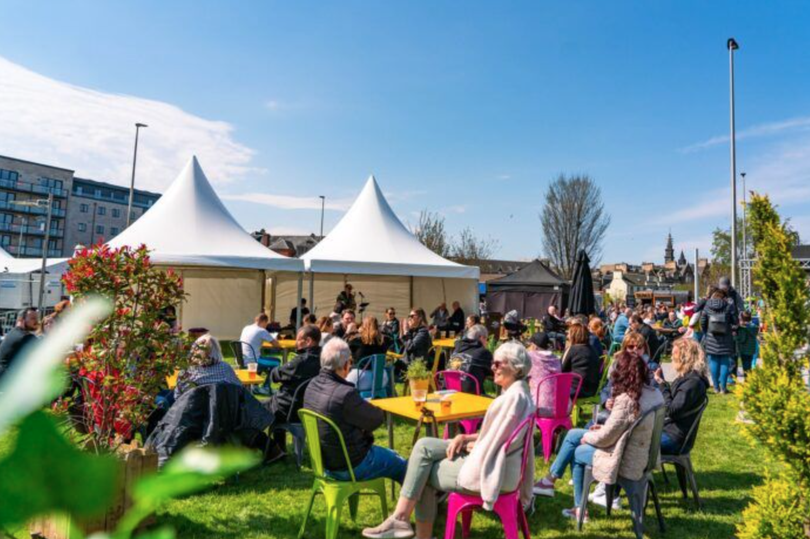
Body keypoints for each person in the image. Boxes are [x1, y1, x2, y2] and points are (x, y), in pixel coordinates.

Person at [362, 342, 536, 539]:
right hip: (503, 464)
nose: (493, 368)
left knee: (422, 470)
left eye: (497, 364)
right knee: (424, 445)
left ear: (514, 366)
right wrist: (464, 437)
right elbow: (499, 436)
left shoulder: (512, 399)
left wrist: (469, 445)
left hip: (494, 470)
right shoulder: (520, 394)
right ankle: (402, 521)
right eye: (493, 363)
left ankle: (406, 523)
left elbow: (493, 444)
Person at [534, 349, 664, 522]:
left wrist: (589, 436)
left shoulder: (627, 399)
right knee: (573, 434)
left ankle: (575, 504)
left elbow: (607, 438)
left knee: (577, 449)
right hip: (641, 452)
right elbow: (616, 430)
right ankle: (552, 482)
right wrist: (596, 431)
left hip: (624, 457)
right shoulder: (654, 394)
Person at [303, 338, 407, 484]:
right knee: (402, 464)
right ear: (346, 364)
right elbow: (376, 419)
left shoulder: (311, 385)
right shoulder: (345, 394)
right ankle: (419, 506)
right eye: (350, 362)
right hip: (351, 464)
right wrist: (364, 405)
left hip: (324, 463)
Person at [262, 325, 323, 462]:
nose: (296, 342)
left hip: (289, 409)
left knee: (253, 409)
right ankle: (280, 448)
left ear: (308, 341)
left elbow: (274, 376)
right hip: (313, 408)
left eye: (298, 339)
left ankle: (272, 449)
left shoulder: (300, 361)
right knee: (274, 406)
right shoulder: (325, 357)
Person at [653, 338, 710, 455]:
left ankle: (638, 473)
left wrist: (662, 385)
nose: (672, 358)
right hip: (670, 431)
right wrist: (662, 383)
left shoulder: (692, 383)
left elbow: (671, 410)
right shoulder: (687, 377)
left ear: (685, 356)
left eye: (674, 354)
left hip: (674, 438)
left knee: (635, 442)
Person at [174, 334, 240, 398]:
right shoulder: (225, 368)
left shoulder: (187, 372)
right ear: (217, 350)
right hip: (221, 408)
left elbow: (177, 397)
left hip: (193, 408)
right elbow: (239, 389)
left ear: (195, 351)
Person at [699, 288, 737, 394]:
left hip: (711, 338)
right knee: (725, 362)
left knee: (713, 361)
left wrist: (706, 332)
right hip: (726, 338)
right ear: (723, 297)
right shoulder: (728, 306)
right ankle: (723, 388)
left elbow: (702, 321)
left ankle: (716, 387)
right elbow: (735, 321)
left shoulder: (707, 306)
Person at [449, 324, 493, 394]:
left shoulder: (457, 349)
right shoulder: (483, 352)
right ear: (481, 338)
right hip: (471, 397)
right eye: (487, 339)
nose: (487, 342)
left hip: (450, 393)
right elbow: (494, 373)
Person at [561, 322, 601, 398]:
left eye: (569, 333)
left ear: (574, 335)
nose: (567, 336)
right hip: (592, 389)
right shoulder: (593, 349)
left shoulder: (572, 349)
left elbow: (561, 369)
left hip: (576, 390)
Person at [527, 332, 562, 417]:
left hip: (539, 407)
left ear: (534, 346)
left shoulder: (530, 357)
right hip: (561, 407)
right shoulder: (556, 359)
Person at [0, 308, 38, 381]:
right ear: (21, 319)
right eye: (33, 318)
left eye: (36, 318)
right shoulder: (26, 337)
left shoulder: (12, 332)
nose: (36, 321)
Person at [735, 311, 759, 377]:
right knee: (749, 364)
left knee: (745, 365)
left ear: (742, 319)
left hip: (744, 350)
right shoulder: (755, 327)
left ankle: (747, 379)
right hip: (751, 349)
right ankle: (749, 377)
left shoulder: (742, 329)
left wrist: (736, 336)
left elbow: (742, 339)